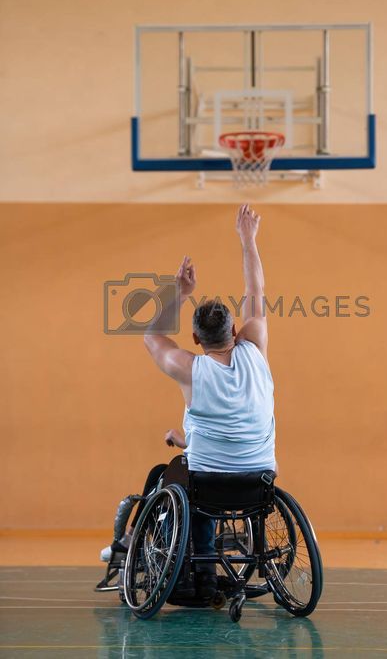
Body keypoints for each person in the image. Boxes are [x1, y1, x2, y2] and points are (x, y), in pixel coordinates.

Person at [102, 204, 276, 599]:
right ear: (235, 329)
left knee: (169, 477)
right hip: (261, 480)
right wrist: (248, 239)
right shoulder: (256, 348)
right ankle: (207, 575)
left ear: (196, 340)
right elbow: (256, 290)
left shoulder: (190, 368)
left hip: (209, 484)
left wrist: (179, 293)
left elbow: (151, 338)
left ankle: (179, 571)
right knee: (185, 464)